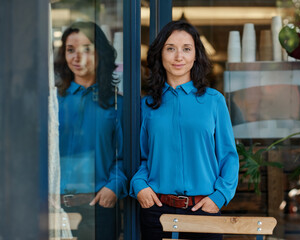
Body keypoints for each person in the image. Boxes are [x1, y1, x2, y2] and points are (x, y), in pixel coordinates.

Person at [130, 20, 239, 240]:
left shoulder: (214, 101)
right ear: (160, 54)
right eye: (170, 48)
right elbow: (142, 157)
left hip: (204, 210)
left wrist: (219, 197)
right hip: (157, 211)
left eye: (186, 49)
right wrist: (139, 185)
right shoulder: (147, 105)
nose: (179, 57)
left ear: (196, 55)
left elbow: (228, 156)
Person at [54, 21, 127, 240]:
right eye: (70, 50)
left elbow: (127, 155)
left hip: (100, 207)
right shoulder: (53, 103)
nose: (77, 57)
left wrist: (114, 187)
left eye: (86, 49)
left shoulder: (117, 104)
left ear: (100, 53)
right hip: (53, 206)